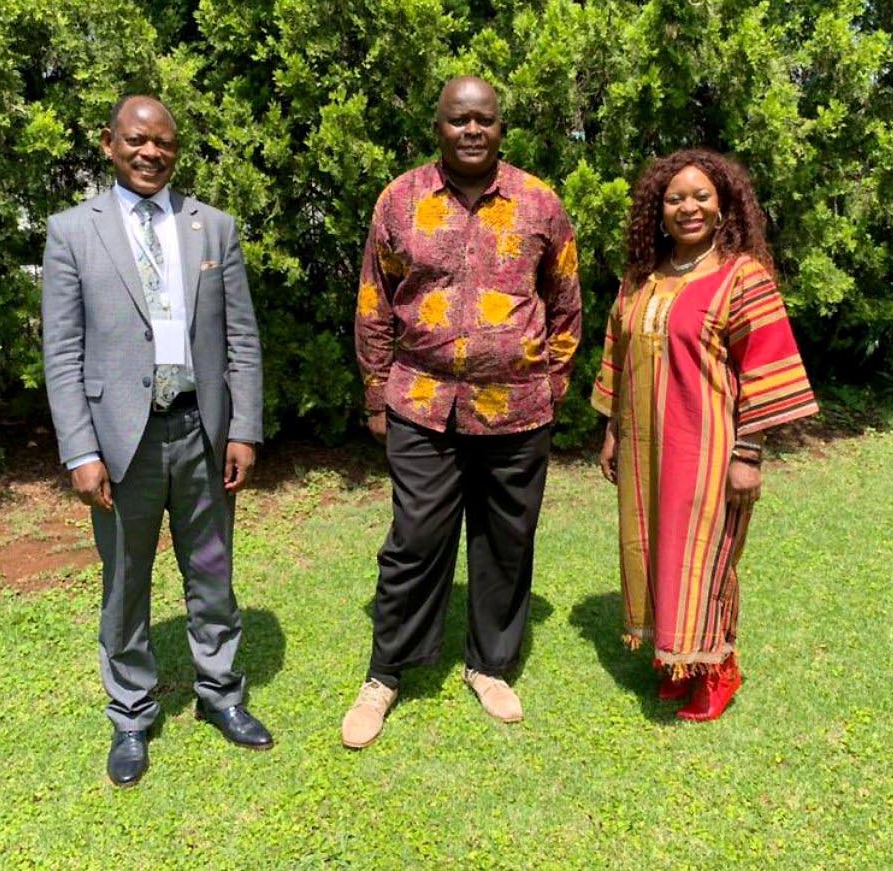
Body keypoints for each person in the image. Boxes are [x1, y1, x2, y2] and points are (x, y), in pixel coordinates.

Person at [342, 76, 582, 749]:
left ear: (501, 127)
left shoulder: (539, 202)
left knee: (506, 540)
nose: (472, 131)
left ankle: (490, 664)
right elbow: (374, 300)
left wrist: (554, 381)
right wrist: (374, 391)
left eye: (485, 120)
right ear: (438, 126)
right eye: (458, 120)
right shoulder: (400, 199)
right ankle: (385, 673)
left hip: (519, 406)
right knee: (416, 539)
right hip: (421, 399)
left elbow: (565, 300)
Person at [42, 95, 273, 787]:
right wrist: (79, 450)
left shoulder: (213, 228)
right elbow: (62, 351)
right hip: (122, 444)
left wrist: (244, 428)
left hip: (201, 433)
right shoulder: (72, 233)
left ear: (177, 149)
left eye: (164, 142)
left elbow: (241, 338)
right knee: (125, 581)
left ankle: (221, 694)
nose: (151, 153)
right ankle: (132, 714)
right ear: (109, 144)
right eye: (137, 140)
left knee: (210, 568)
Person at [591, 148, 817, 721]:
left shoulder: (743, 278)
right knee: (655, 549)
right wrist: (613, 431)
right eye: (674, 199)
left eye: (700, 197)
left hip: (710, 448)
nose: (687, 208)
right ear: (657, 211)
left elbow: (765, 369)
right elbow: (618, 357)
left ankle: (717, 670)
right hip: (646, 449)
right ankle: (676, 663)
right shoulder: (640, 280)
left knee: (705, 558)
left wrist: (749, 454)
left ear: (723, 209)